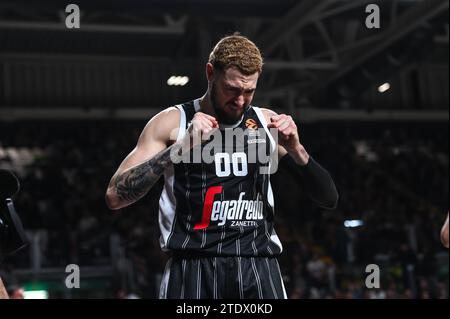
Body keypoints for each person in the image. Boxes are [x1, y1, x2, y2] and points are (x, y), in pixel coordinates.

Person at [106, 34, 338, 299]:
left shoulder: (266, 123)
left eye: (249, 91)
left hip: (257, 266)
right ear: (210, 73)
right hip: (192, 268)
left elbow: (328, 197)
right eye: (232, 90)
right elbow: (115, 196)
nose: (240, 101)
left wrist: (296, 148)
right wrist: (178, 149)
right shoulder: (173, 122)